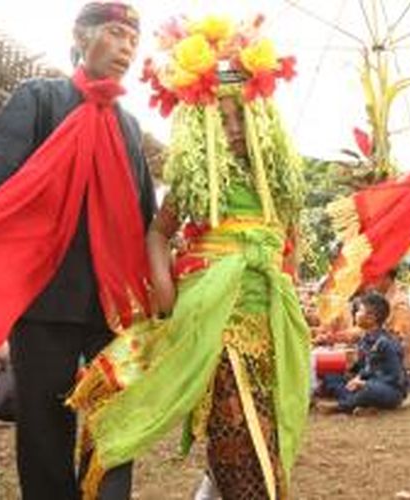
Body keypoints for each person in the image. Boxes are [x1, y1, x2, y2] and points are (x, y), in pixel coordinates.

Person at [0, 3, 161, 498]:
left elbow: (142, 214)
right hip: (46, 293)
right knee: (44, 423)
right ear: (81, 35)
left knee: (115, 418)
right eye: (116, 34)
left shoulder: (130, 127)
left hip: (113, 302)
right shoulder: (41, 98)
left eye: (133, 40)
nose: (126, 48)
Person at [67, 15, 310, 500]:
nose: (234, 128)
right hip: (211, 317)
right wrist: (164, 289)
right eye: (221, 119)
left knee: (267, 427)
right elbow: (158, 232)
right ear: (202, 125)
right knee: (238, 431)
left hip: (273, 320)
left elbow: (290, 242)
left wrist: (290, 287)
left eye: (241, 115)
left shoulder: (279, 182)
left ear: (261, 115)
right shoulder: (197, 183)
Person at [322, 292, 408, 413]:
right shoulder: (364, 340)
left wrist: (364, 384)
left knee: (368, 391)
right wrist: (353, 375)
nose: (356, 314)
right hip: (366, 385)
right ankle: (363, 405)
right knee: (331, 376)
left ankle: (344, 406)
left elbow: (396, 378)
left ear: (371, 318)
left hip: (389, 390)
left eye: (359, 311)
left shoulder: (386, 343)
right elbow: (363, 369)